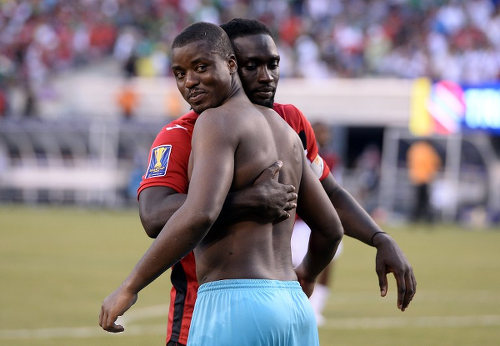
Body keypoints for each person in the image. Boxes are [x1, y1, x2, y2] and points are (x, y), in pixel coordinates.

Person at [138, 18, 417, 346]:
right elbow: (155, 215)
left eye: (273, 64)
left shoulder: (290, 122)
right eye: (251, 65)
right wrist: (246, 201)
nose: (266, 76)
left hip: (264, 303)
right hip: (199, 313)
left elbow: (331, 196)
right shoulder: (182, 133)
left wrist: (378, 237)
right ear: (228, 65)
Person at [99, 22, 344, 346]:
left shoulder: (214, 121)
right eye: (180, 73)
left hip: (235, 304)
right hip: (294, 309)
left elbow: (201, 213)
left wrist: (130, 286)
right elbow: (331, 228)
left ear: (230, 65)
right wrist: (307, 275)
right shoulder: (285, 130)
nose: (190, 81)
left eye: (201, 67)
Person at [291, 121, 343, 325]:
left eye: (326, 132)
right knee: (295, 263)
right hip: (301, 221)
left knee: (328, 261)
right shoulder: (298, 154)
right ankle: (298, 306)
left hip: (325, 218)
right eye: (320, 132)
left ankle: (316, 307)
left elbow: (334, 187)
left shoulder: (330, 158)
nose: (324, 135)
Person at [407, 139, 441, 223]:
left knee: (417, 201)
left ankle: (414, 219)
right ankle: (428, 220)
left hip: (416, 178)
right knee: (426, 201)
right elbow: (436, 163)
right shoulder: (429, 150)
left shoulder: (415, 149)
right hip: (426, 179)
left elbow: (410, 161)